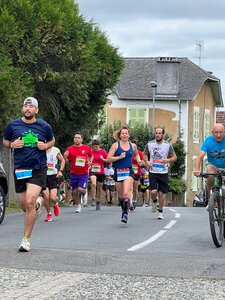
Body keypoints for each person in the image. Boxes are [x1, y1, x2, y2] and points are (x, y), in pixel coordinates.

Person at [2, 97, 55, 252]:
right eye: (26, 105)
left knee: (29, 201)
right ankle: (39, 204)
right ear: (23, 109)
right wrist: (11, 144)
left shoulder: (44, 126)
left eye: (31, 106)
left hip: (38, 168)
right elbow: (5, 140)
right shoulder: (13, 125)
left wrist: (45, 145)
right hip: (20, 168)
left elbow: (52, 140)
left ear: (36, 110)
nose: (28, 108)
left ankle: (26, 240)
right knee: (25, 206)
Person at [107, 126, 141, 223]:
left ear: (129, 135)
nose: (125, 135)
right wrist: (118, 157)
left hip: (129, 171)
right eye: (123, 133)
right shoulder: (115, 145)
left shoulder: (133, 145)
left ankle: (125, 214)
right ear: (120, 135)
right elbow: (109, 158)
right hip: (118, 171)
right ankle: (124, 209)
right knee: (121, 196)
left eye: (126, 133)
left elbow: (136, 154)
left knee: (126, 193)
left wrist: (139, 161)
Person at [143, 127, 177, 220]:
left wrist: (168, 160)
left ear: (163, 134)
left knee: (161, 194)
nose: (158, 135)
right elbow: (144, 154)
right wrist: (147, 162)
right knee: (153, 191)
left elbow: (174, 157)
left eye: (159, 133)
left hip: (163, 172)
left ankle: (160, 212)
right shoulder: (150, 144)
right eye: (156, 133)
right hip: (153, 171)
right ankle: (154, 201)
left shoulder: (167, 145)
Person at [64, 132, 93, 213]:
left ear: (82, 139)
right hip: (73, 173)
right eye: (75, 137)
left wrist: (90, 161)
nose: (76, 139)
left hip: (83, 173)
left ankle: (84, 192)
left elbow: (91, 155)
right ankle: (78, 205)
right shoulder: (69, 149)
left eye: (78, 138)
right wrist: (64, 156)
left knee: (80, 189)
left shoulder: (86, 148)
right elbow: (66, 161)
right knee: (74, 191)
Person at [194, 123, 225, 198]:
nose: (218, 135)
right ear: (212, 133)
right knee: (210, 175)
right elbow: (199, 157)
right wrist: (197, 170)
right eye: (216, 132)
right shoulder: (208, 141)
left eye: (221, 132)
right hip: (212, 165)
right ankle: (209, 194)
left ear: (224, 132)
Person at [43, 146, 65, 222]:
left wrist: (60, 171)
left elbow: (62, 160)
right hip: (43, 176)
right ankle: (49, 214)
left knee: (52, 197)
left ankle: (55, 203)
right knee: (46, 196)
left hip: (53, 176)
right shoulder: (40, 149)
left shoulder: (55, 150)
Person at [89, 139, 108, 210]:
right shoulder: (90, 151)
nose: (95, 148)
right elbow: (87, 159)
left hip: (101, 171)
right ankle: (93, 199)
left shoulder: (103, 152)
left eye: (96, 146)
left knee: (99, 188)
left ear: (99, 146)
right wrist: (89, 161)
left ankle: (98, 201)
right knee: (93, 184)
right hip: (93, 170)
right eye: (94, 146)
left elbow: (108, 160)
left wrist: (103, 159)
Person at [130, 140, 144, 210]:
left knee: (135, 188)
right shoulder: (128, 152)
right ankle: (130, 203)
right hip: (129, 172)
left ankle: (134, 200)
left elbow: (144, 161)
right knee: (130, 188)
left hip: (137, 173)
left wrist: (140, 162)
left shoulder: (140, 153)